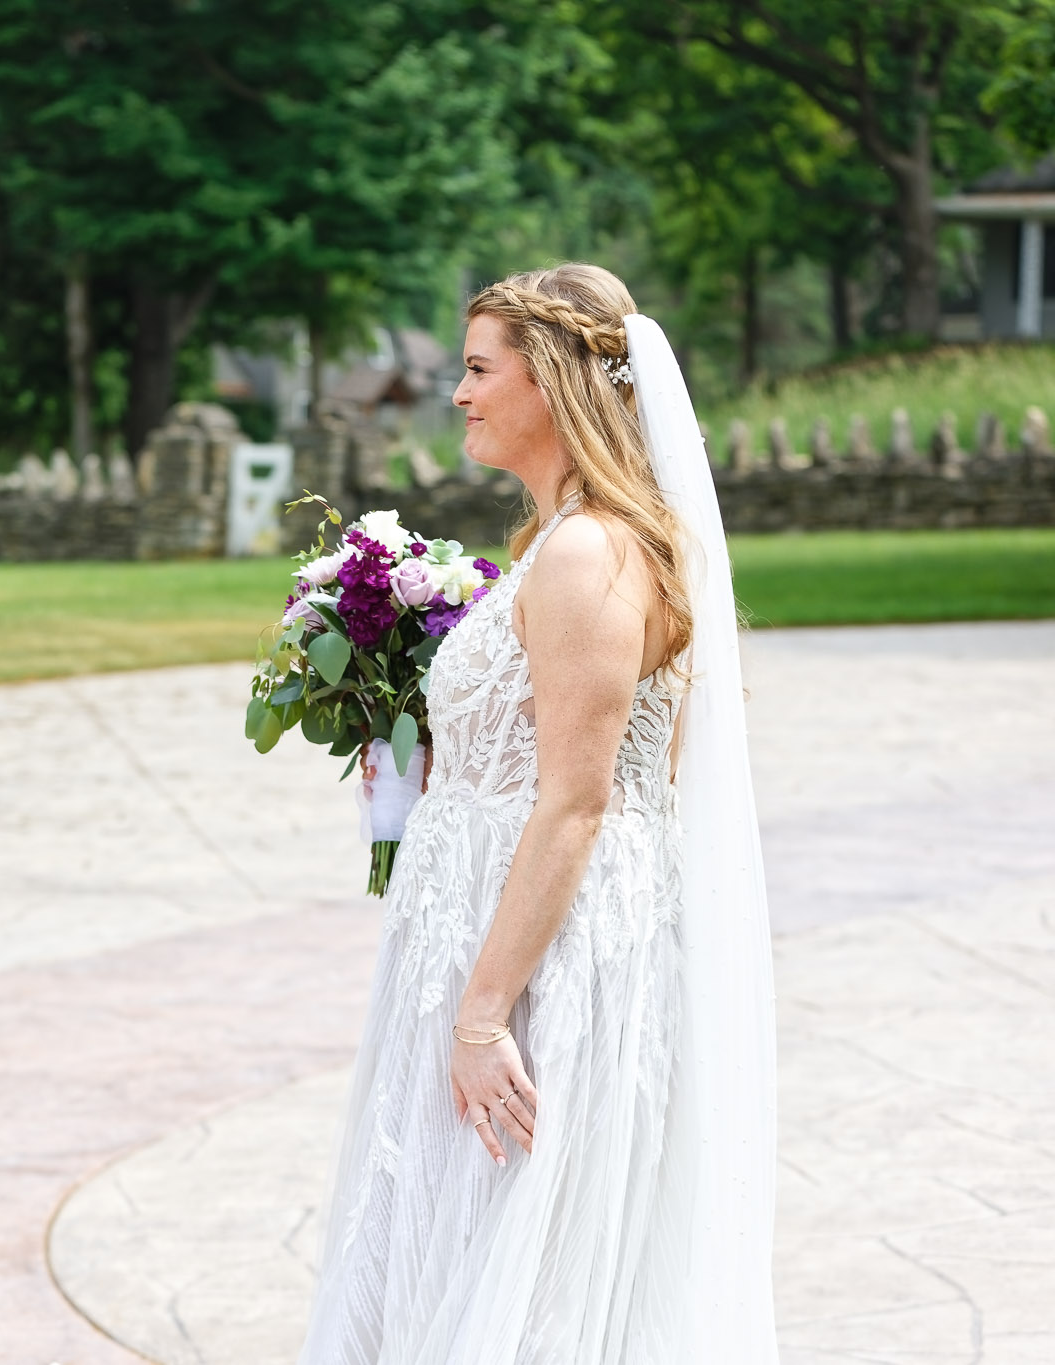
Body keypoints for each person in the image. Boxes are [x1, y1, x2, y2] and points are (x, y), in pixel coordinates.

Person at [297, 263, 779, 1363]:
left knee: (513, 1250)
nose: (456, 394)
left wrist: (480, 1016)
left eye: (476, 369)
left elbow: (574, 799)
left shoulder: (586, 553)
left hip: (537, 960)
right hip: (483, 932)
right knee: (449, 1234)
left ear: (554, 380)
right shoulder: (554, 545)